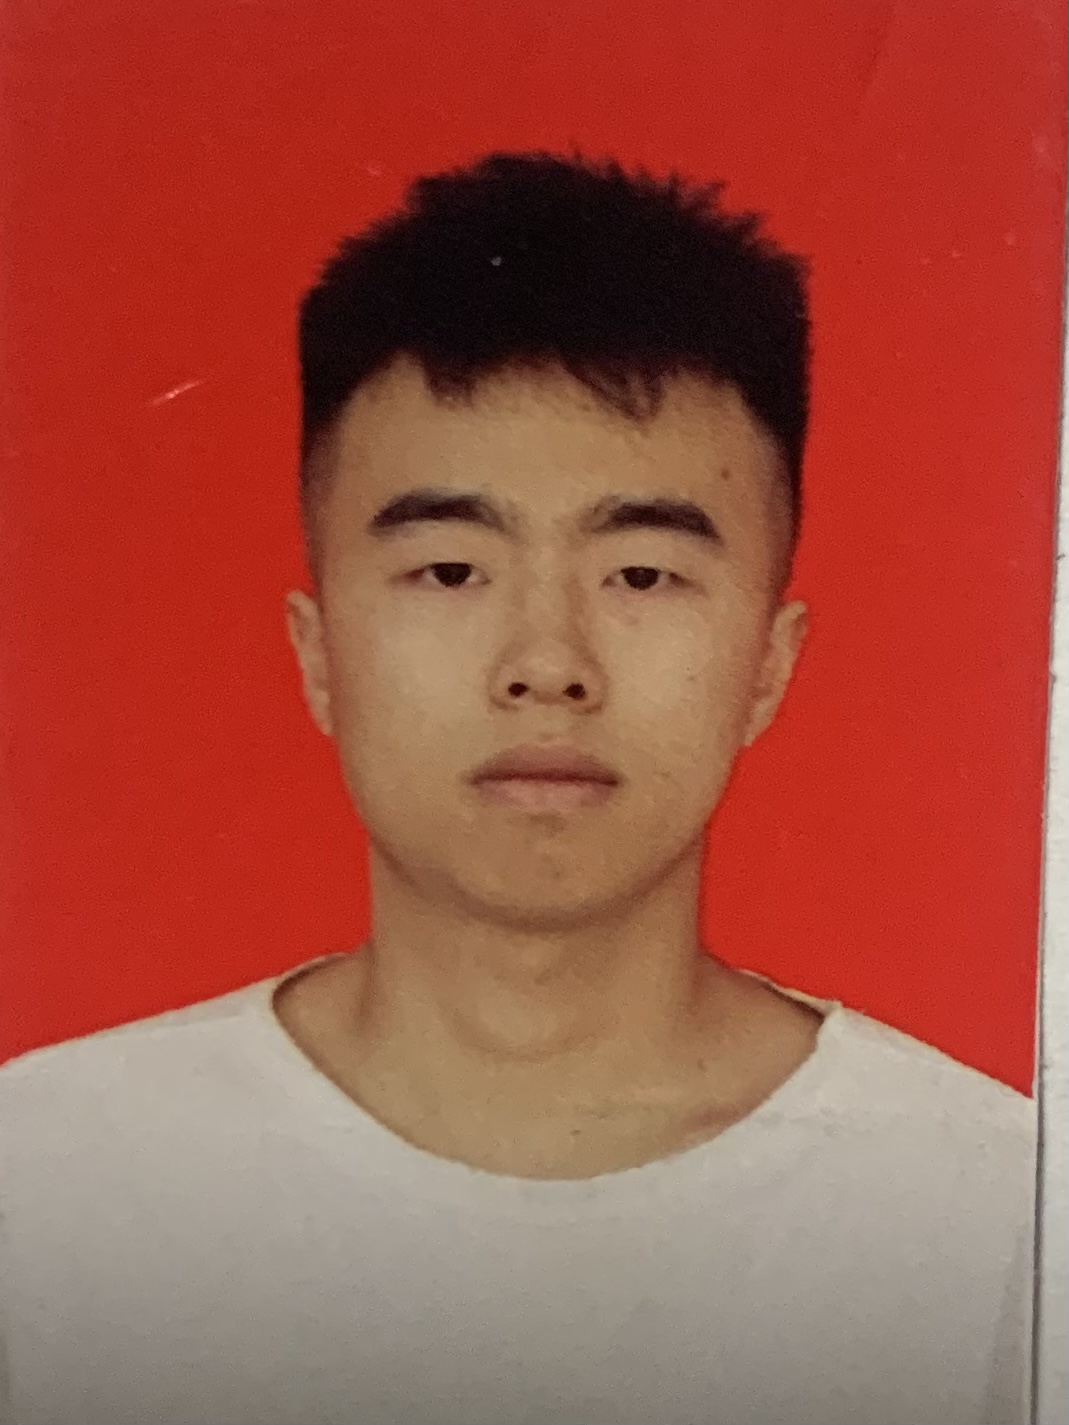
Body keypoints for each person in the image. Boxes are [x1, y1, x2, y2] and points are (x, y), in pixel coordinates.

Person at [0, 152, 1035, 1425]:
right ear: (318, 655)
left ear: (769, 665)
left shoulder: (993, 1227)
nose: (547, 664)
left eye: (641, 575)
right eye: (450, 571)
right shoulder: (49, 1190)